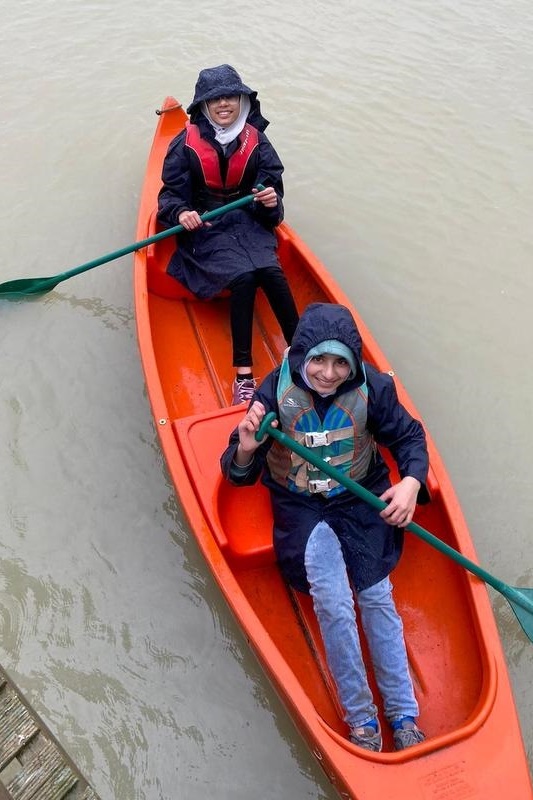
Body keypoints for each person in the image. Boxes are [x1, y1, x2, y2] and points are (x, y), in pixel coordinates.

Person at [220, 302, 430, 752]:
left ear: (353, 363)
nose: (329, 373)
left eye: (341, 362)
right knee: (333, 601)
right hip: (302, 506)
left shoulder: (373, 387)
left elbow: (410, 437)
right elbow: (236, 471)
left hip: (360, 496)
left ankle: (404, 714)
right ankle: (362, 721)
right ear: (301, 356)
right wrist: (245, 447)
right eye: (318, 360)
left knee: (376, 596)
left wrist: (411, 482)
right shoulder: (272, 393)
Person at [158, 64, 299, 405]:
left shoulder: (257, 140)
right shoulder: (184, 144)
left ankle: (301, 351)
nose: (224, 104)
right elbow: (168, 198)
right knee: (244, 276)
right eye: (215, 99)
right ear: (204, 106)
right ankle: (244, 375)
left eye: (230, 97)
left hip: (249, 222)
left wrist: (268, 200)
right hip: (207, 225)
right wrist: (182, 213)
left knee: (271, 270)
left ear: (242, 101)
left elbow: (273, 202)